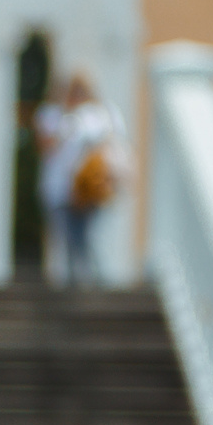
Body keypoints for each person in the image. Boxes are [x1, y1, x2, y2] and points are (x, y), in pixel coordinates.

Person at [36, 73, 126, 287]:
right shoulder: (57, 116)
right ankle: (77, 287)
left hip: (89, 187)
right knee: (71, 241)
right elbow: (47, 147)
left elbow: (109, 143)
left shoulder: (98, 116)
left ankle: (96, 285)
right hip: (62, 190)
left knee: (89, 239)